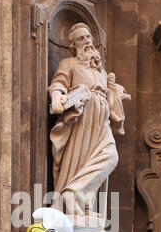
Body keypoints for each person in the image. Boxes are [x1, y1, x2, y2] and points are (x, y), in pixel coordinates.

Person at [48, 22, 130, 217]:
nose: (87, 42)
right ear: (74, 46)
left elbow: (109, 102)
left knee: (110, 156)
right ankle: (74, 197)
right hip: (82, 120)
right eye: (81, 39)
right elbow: (58, 84)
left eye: (88, 38)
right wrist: (57, 97)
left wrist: (114, 92)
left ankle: (78, 195)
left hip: (101, 122)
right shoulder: (69, 64)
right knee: (80, 159)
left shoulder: (100, 72)